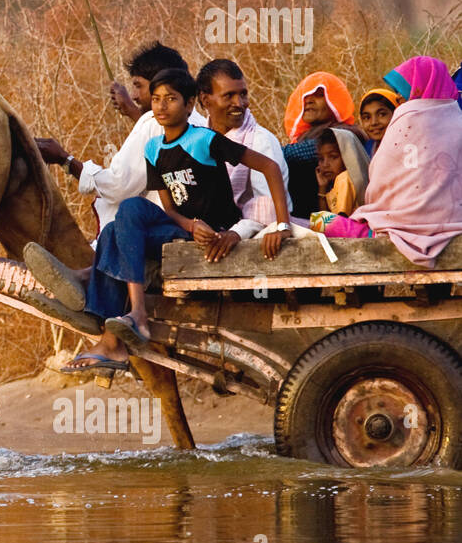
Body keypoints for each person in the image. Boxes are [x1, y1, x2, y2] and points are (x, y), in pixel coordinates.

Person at [61, 68, 292, 372]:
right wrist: (190, 225)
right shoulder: (153, 148)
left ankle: (130, 314)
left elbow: (270, 167)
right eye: (155, 99)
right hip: (186, 231)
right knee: (114, 229)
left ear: (189, 104)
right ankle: (116, 333)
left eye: (171, 99)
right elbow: (169, 209)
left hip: (216, 234)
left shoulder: (204, 139)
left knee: (128, 211)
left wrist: (283, 224)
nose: (161, 106)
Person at [35, 41, 206, 243]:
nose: (133, 95)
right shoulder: (201, 123)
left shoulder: (151, 123)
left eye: (138, 86)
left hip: (159, 233)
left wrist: (65, 160)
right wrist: (134, 113)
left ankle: (86, 275)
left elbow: (117, 186)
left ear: (160, 87)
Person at [317, 56, 462, 267]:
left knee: (320, 220)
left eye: (403, 94)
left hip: (398, 228)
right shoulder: (458, 121)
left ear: (419, 90)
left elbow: (377, 187)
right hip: (453, 224)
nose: (401, 101)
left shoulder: (407, 119)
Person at [194, 58, 292, 262]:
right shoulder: (197, 139)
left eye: (243, 94)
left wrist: (236, 233)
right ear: (205, 100)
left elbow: (268, 211)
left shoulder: (260, 140)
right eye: (228, 96)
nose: (239, 104)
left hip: (253, 243)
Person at [281, 72, 364, 217]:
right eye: (305, 97)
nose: (308, 101)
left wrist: (259, 153)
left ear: (335, 101)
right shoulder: (304, 136)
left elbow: (293, 154)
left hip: (338, 222)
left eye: (319, 95)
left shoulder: (344, 133)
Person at [313, 128, 368, 216]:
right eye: (321, 159)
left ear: (348, 156)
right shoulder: (336, 182)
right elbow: (326, 218)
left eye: (333, 157)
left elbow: (338, 221)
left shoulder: (344, 178)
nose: (325, 164)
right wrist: (322, 188)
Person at [358, 87, 404, 159]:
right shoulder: (366, 149)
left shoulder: (407, 146)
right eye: (367, 117)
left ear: (397, 114)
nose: (373, 123)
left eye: (381, 114)